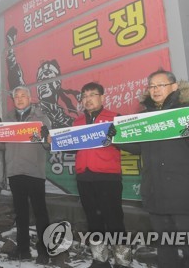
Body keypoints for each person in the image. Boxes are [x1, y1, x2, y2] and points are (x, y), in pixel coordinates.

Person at [119, 70, 189, 268]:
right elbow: (139, 147)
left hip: (182, 191)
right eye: (151, 86)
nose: (155, 90)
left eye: (160, 85)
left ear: (173, 87)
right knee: (165, 244)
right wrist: (117, 139)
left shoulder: (186, 111)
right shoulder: (144, 117)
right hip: (155, 189)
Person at [0, 86, 52, 265]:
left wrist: (47, 138)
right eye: (16, 97)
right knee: (20, 213)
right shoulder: (7, 119)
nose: (20, 99)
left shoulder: (41, 118)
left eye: (23, 96)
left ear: (30, 98)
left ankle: (44, 251)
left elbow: (49, 146)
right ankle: (23, 250)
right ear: (13, 100)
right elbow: (4, 146)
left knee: (41, 213)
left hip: (35, 172)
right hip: (15, 172)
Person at [73, 82, 130, 268]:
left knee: (114, 219)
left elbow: (129, 144)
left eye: (92, 94)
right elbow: (70, 150)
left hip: (108, 177)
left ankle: (122, 261)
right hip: (84, 177)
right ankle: (100, 259)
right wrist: (53, 141)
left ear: (102, 97)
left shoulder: (115, 118)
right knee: (93, 219)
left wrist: (118, 136)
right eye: (84, 96)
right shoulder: (77, 122)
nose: (88, 99)